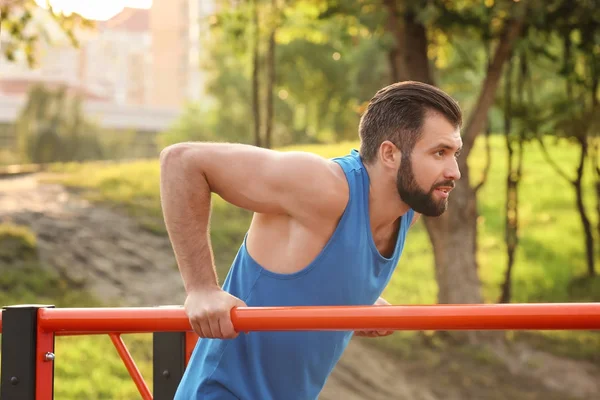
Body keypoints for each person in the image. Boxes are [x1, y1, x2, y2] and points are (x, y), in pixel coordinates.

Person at [159, 81, 463, 399]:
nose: (454, 171)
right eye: (439, 153)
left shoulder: (406, 212)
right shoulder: (322, 187)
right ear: (389, 154)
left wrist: (353, 296)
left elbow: (323, 260)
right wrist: (202, 289)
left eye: (454, 153)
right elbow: (181, 161)